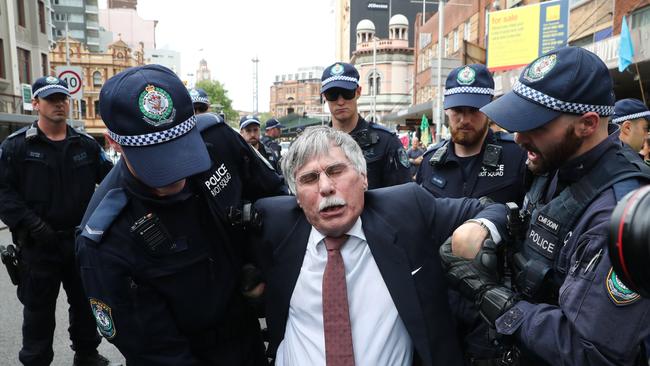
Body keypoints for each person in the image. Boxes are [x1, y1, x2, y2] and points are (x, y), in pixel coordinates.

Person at [444, 46, 650, 365]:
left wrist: (490, 296)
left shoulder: (618, 213)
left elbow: (590, 351)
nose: (518, 137)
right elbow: (528, 219)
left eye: (535, 124)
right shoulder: (554, 163)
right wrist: (491, 223)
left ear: (587, 123)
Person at [249, 125, 510, 366]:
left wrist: (478, 229)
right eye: (309, 179)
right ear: (295, 196)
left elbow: (494, 210)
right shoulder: (271, 223)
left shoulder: (407, 208)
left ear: (363, 177)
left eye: (336, 171)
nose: (326, 187)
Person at [76, 65, 279, 365]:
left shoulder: (218, 139)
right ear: (114, 143)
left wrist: (263, 264)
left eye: (182, 150)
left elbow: (275, 198)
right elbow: (157, 353)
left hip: (249, 333)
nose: (178, 175)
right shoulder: (106, 240)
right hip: (189, 352)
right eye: (156, 161)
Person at [0, 76, 115, 366]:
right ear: (36, 104)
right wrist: (30, 222)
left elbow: (113, 182)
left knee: (85, 303)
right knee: (38, 310)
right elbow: (2, 192)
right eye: (51, 99)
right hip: (38, 246)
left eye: (63, 99)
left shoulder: (86, 145)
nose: (59, 104)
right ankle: (36, 360)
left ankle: (87, 353)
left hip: (79, 242)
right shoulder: (17, 148)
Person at [416, 64, 528, 205]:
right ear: (446, 110)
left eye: (474, 110)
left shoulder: (517, 155)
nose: (465, 120)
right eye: (457, 110)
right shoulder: (430, 162)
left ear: (490, 108)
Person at [321, 62, 411, 189]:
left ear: (358, 92)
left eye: (347, 93)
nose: (340, 102)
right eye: (333, 95)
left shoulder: (386, 141)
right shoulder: (317, 145)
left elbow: (403, 193)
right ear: (325, 97)